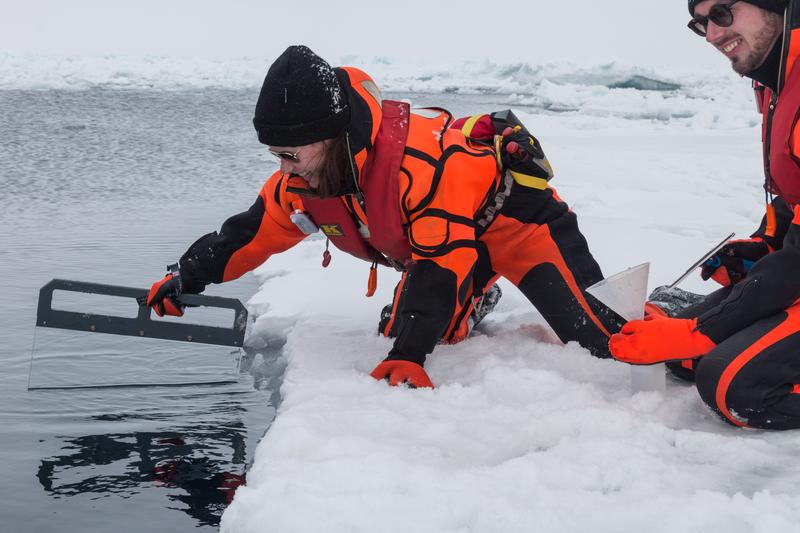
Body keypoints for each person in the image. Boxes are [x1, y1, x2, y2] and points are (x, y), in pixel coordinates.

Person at [147, 45, 623, 388]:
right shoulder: (303, 182)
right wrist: (186, 275)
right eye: (276, 154)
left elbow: (441, 263)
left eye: (290, 154)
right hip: (451, 251)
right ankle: (481, 296)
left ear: (331, 137)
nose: (283, 168)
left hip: (518, 226)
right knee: (409, 325)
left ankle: (679, 309)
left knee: (607, 342)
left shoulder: (418, 168)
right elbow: (249, 235)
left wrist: (409, 356)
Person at [609, 0, 800, 430]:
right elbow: (793, 195)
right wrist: (766, 243)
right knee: (683, 350)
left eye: (722, 14)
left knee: (736, 387)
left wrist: (701, 330)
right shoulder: (778, 80)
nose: (712, 35)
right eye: (701, 24)